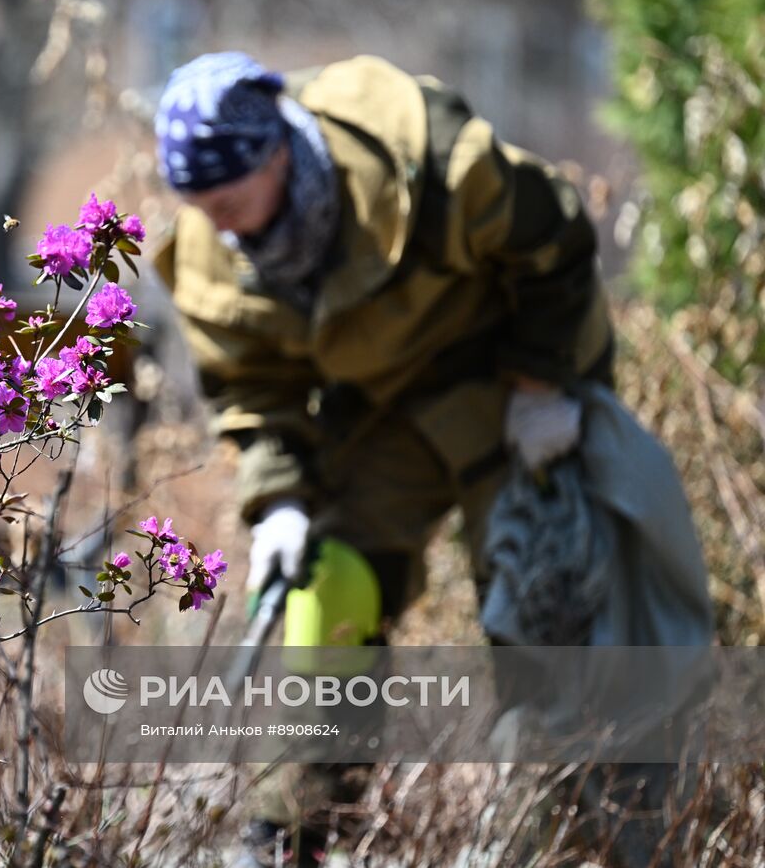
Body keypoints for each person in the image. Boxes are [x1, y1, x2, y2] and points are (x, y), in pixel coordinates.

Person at [150, 52, 616, 866]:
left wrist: (545, 386)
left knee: (542, 598)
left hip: (510, 383)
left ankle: (562, 833)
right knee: (327, 582)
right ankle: (291, 833)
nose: (219, 226)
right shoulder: (212, 250)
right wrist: (281, 502)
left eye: (228, 201)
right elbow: (254, 388)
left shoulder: (434, 164)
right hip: (381, 413)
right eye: (201, 208)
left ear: (276, 155)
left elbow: (558, 241)